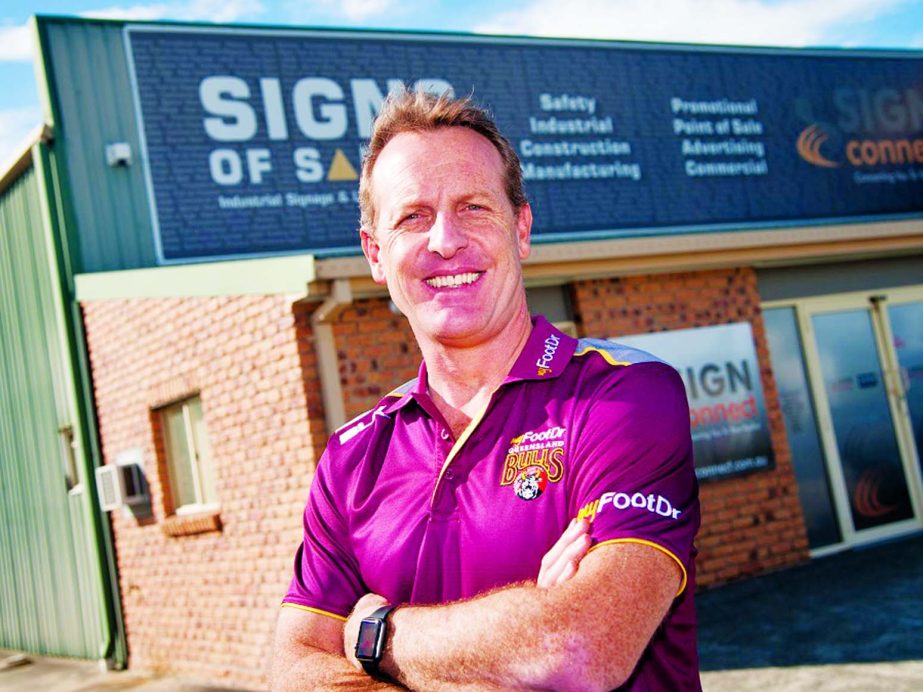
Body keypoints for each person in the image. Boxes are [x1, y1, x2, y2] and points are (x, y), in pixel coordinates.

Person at [271, 88, 701, 691]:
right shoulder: (349, 459)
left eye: (473, 207)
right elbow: (296, 670)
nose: (445, 241)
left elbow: (575, 647)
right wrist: (513, 640)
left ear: (521, 229)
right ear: (375, 252)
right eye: (412, 217)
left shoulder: (623, 397)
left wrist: (372, 635)